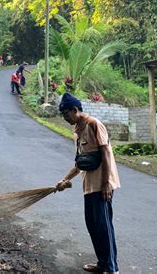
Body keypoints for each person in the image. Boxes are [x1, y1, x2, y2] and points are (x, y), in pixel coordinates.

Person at [56, 93, 120, 274]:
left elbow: (106, 154)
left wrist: (107, 182)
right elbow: (80, 162)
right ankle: (102, 264)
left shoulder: (94, 124)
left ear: (75, 110)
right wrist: (65, 179)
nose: (65, 118)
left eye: (66, 114)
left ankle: (111, 268)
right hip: (89, 186)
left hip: (102, 185)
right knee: (93, 226)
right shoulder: (77, 131)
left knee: (103, 226)